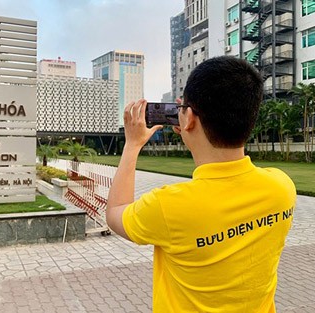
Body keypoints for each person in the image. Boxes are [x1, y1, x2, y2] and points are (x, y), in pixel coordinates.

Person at [106, 56, 296, 313]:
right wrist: (189, 120)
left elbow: (116, 211)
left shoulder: (169, 206)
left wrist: (132, 144)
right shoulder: (282, 188)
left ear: (189, 118)